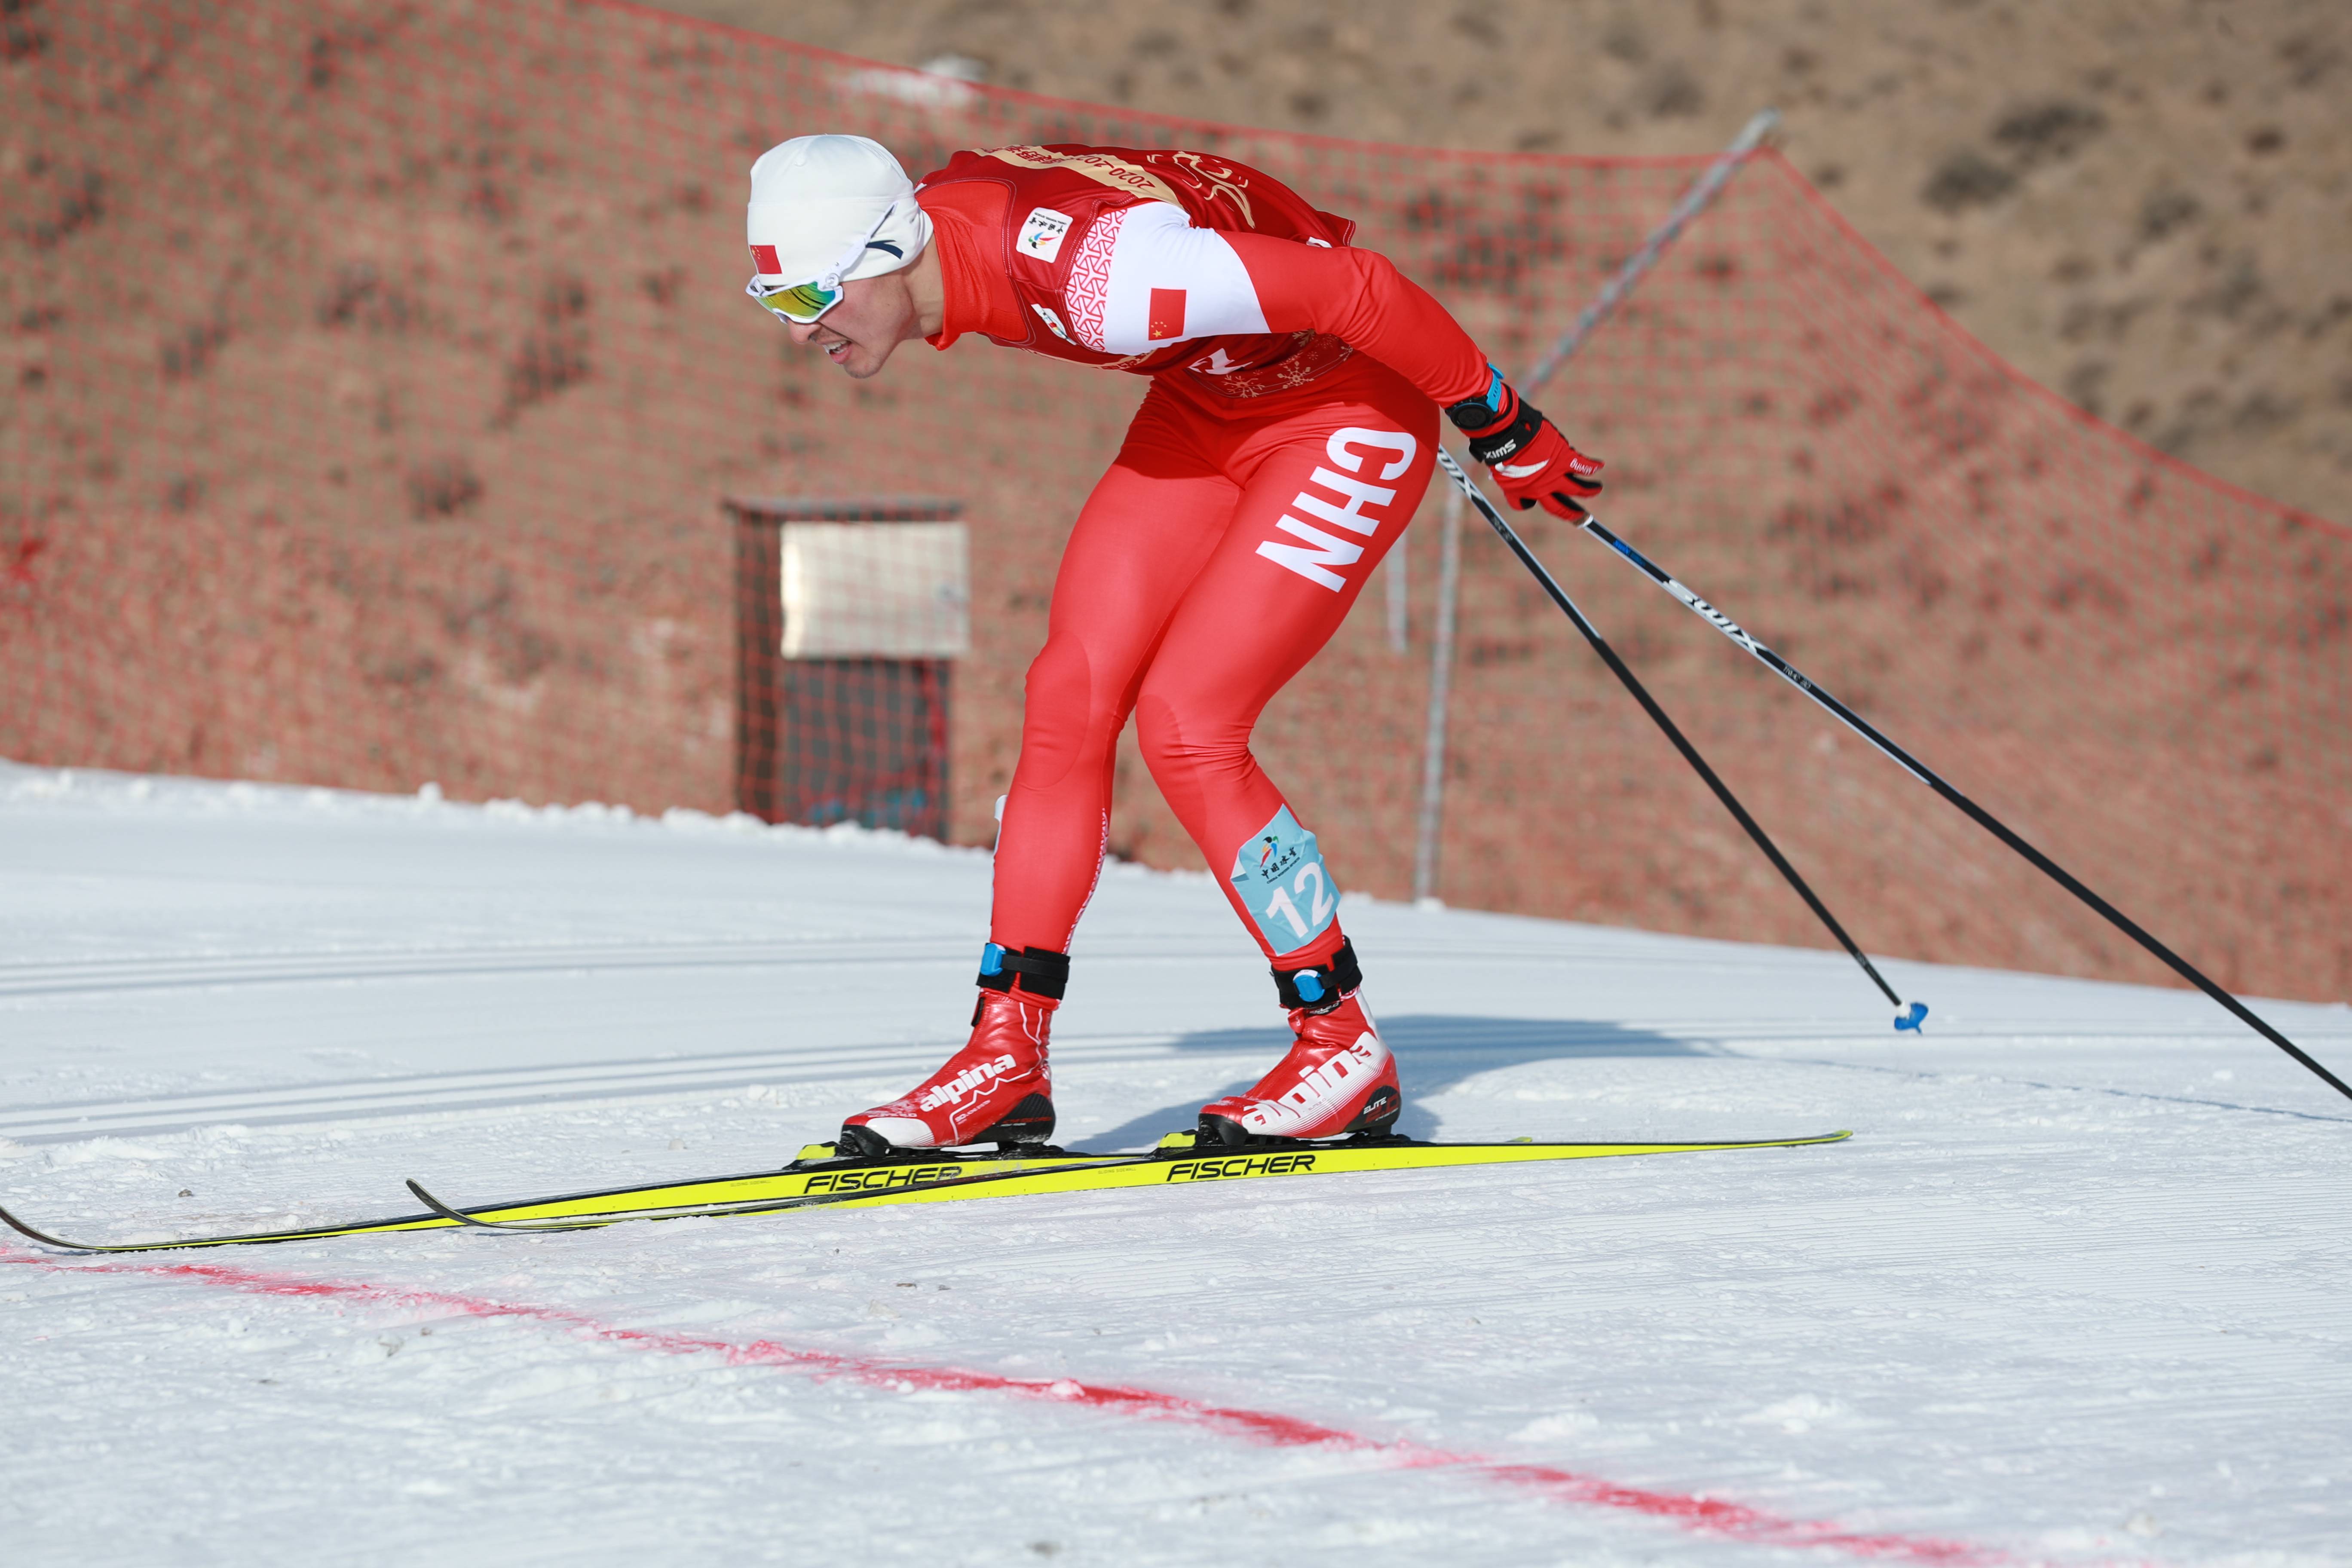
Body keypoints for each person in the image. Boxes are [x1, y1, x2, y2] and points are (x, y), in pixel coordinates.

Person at [744, 135, 1602, 1157]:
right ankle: (1004, 1054)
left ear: (887, 256)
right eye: (776, 305)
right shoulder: (936, 224)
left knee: (1190, 722)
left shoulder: (1109, 279)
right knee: (1069, 693)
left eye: (807, 301)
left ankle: (1341, 1043)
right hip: (1209, 403)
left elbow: (1360, 287)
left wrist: (1499, 417)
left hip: (1345, 412)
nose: (800, 333)